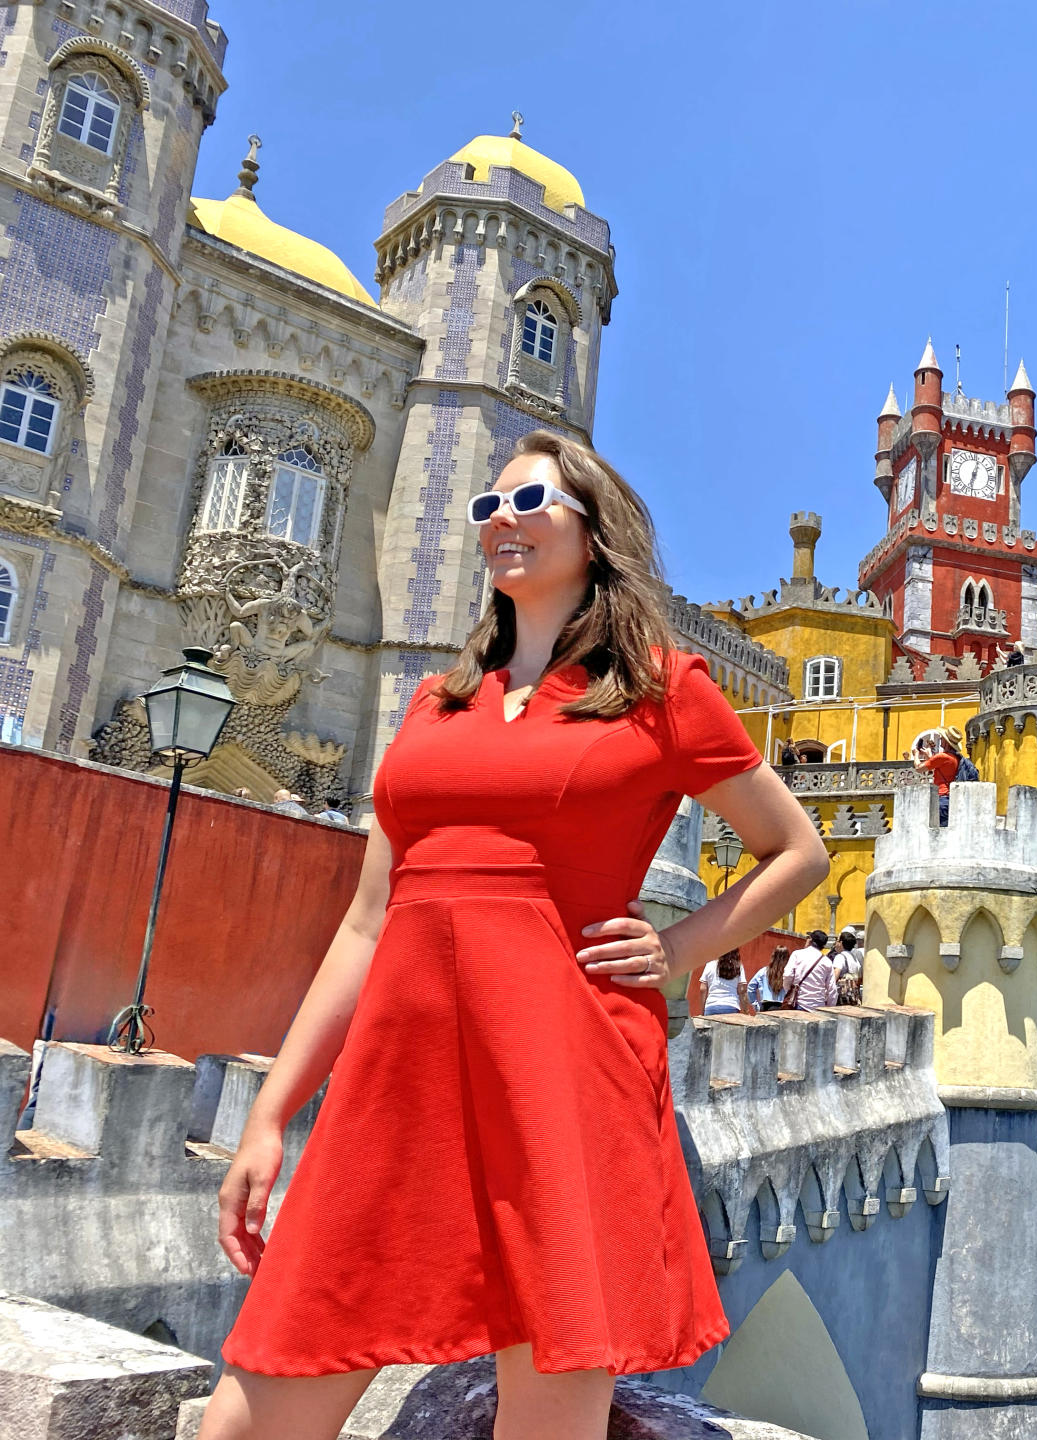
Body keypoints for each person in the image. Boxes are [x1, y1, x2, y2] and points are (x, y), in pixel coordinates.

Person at [202, 429, 830, 1439]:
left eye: (528, 502)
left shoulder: (664, 690)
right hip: (398, 1081)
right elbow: (368, 921)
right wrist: (273, 1113)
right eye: (486, 509)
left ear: (595, 535)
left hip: (563, 1069)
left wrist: (675, 952)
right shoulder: (435, 703)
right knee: (258, 1398)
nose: (502, 523)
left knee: (549, 1393)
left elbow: (796, 850)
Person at [913, 732, 961, 824]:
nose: (940, 739)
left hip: (941, 796)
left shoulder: (942, 756)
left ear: (946, 742)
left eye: (942, 738)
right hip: (950, 796)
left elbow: (919, 768)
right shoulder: (955, 758)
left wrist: (916, 754)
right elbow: (937, 766)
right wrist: (928, 755)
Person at [785, 931, 838, 1012]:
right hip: (819, 1006)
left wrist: (789, 991)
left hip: (799, 1003)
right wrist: (829, 1007)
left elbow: (787, 975)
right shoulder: (827, 962)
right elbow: (832, 989)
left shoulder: (797, 954)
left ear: (810, 940)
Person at [700, 949, 747, 1016]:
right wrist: (746, 1011)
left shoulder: (709, 965)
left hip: (711, 1007)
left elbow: (703, 989)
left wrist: (702, 1012)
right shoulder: (738, 966)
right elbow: (742, 990)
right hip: (731, 1006)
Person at [747, 947, 790, 1012]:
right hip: (783, 1008)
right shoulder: (789, 973)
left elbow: (750, 987)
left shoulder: (763, 971)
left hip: (766, 1007)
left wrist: (756, 1006)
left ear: (773, 956)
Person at [834, 928, 864, 1005]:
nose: (835, 943)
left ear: (841, 943)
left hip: (841, 996)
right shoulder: (854, 958)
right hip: (853, 996)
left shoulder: (840, 957)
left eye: (837, 941)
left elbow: (834, 977)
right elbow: (860, 978)